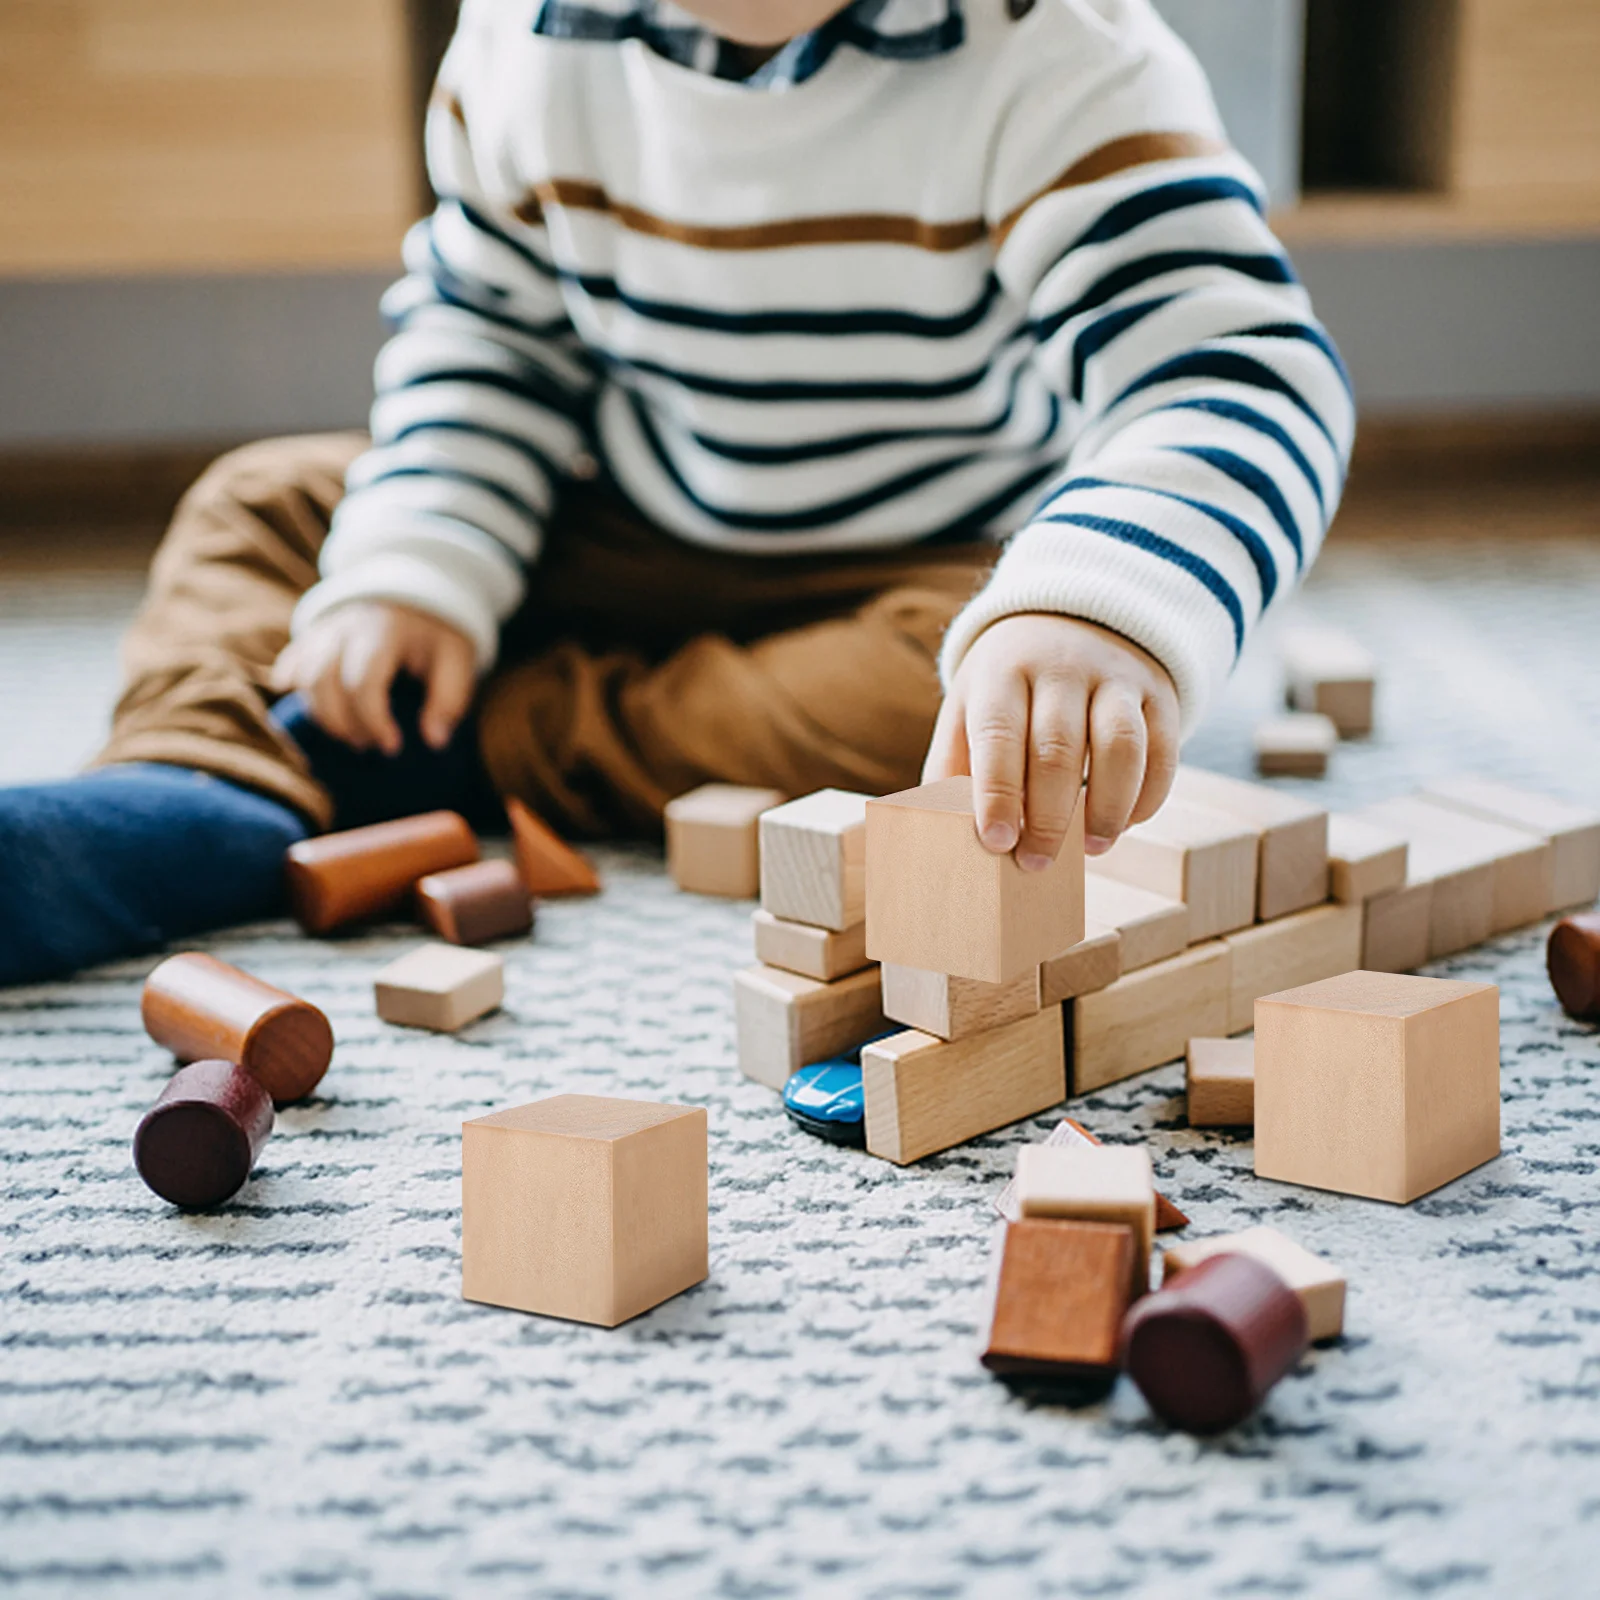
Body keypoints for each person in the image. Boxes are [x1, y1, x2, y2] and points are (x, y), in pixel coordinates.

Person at [0, 0, 1352, 986]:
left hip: (929, 566)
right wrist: (420, 564)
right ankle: (201, 784)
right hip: (630, 517)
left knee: (950, 731)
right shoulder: (521, 46)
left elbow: (1237, 375)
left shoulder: (1066, 60)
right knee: (269, 503)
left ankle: (443, 743)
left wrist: (1096, 612)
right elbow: (491, 340)